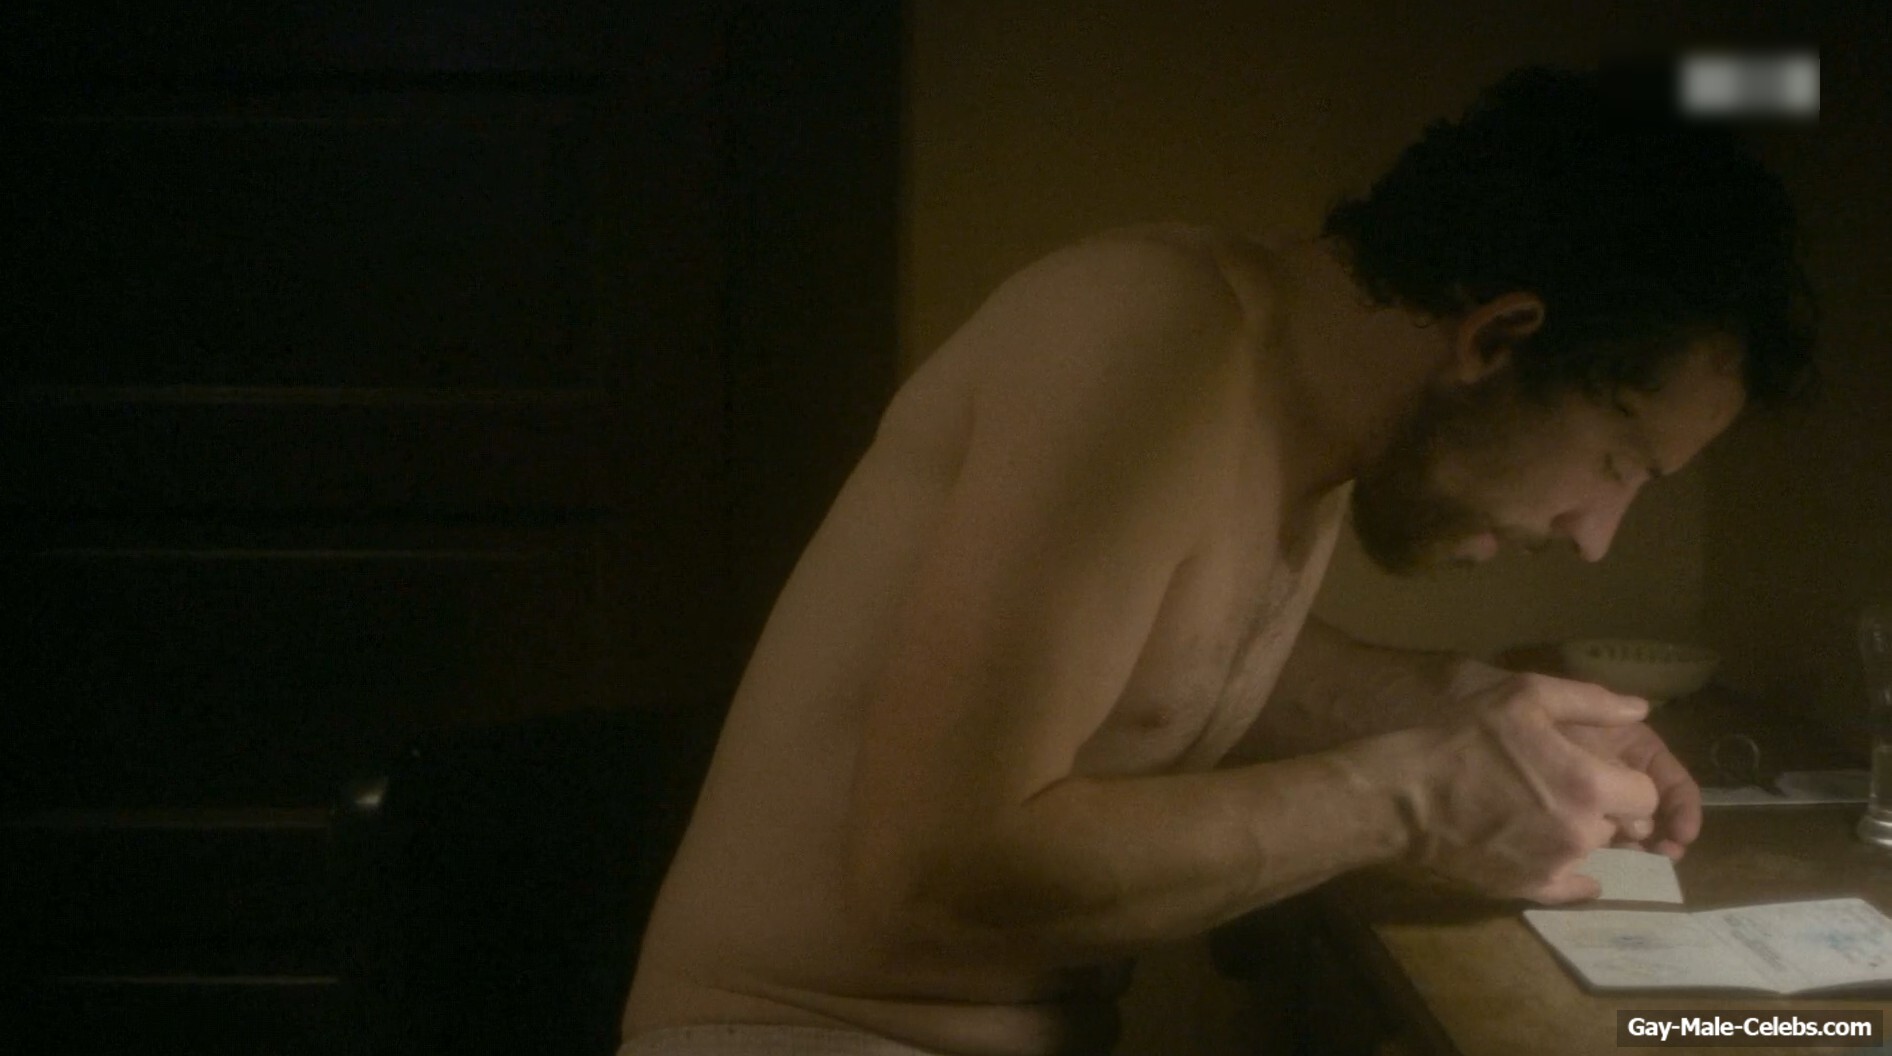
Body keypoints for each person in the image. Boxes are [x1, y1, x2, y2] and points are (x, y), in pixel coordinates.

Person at [620, 64, 1816, 1056]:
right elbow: (937, 872)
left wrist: (1467, 707)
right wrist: (1408, 797)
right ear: (1497, 338)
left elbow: (1164, 658)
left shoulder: (1278, 404)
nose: (1595, 536)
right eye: (1619, 461)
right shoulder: (1147, 339)